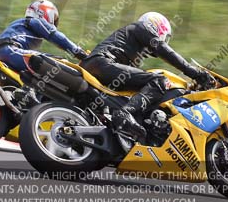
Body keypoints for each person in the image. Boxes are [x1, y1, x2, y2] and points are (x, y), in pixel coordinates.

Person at [80, 12, 216, 140]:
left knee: (139, 89)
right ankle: (125, 113)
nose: (164, 39)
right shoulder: (141, 27)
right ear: (157, 26)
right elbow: (164, 50)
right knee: (159, 80)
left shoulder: (131, 45)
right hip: (103, 62)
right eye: (164, 36)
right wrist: (195, 73)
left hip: (98, 65)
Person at [0, 0, 88, 74]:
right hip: (10, 50)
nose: (54, 23)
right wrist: (79, 52)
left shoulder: (24, 25)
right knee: (54, 62)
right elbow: (56, 36)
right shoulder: (35, 21)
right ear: (45, 13)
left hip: (0, 53)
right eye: (54, 18)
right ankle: (29, 91)